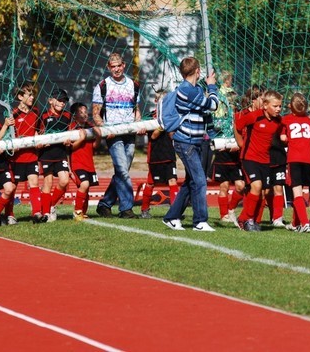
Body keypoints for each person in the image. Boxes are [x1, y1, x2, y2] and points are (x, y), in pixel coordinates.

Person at [162, 57, 219, 232]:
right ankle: (200, 221)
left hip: (195, 141)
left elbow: (203, 112)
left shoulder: (196, 89)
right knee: (200, 180)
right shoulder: (188, 91)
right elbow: (213, 105)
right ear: (197, 71)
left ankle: (171, 217)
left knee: (191, 182)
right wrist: (212, 86)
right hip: (185, 142)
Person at [92, 53, 143, 219]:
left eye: (119, 66)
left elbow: (136, 109)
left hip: (130, 134)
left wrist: (139, 124)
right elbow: (96, 114)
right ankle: (126, 208)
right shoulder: (102, 86)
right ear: (109, 67)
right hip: (113, 135)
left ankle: (105, 204)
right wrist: (106, 128)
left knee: (122, 172)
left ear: (124, 65)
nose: (116, 69)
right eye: (113, 66)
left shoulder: (134, 85)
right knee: (122, 171)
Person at [234, 90, 283, 232]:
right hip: (249, 158)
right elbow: (238, 125)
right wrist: (240, 143)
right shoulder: (254, 116)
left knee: (264, 191)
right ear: (265, 105)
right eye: (275, 106)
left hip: (265, 160)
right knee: (256, 186)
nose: (278, 109)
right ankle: (247, 220)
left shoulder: (279, 121)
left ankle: (248, 219)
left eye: (280, 106)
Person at [139, 90, 179, 219]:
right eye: (162, 100)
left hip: (169, 154)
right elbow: (154, 136)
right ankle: (144, 209)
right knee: (150, 182)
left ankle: (175, 212)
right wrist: (162, 126)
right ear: (156, 101)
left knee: (172, 181)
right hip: (155, 156)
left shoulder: (172, 115)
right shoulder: (150, 117)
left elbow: (173, 135)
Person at [280, 92, 310, 233]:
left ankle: (305, 222)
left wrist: (290, 140)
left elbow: (283, 137)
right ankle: (295, 223)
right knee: (303, 191)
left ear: (290, 106)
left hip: (294, 158)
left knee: (297, 192)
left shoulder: (286, 120)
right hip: (308, 159)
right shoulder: (309, 120)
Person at [10, 83, 44, 223]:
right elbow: (9, 134)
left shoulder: (36, 112)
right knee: (12, 186)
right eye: (29, 94)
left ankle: (37, 213)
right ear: (20, 97)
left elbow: (38, 130)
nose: (32, 97)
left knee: (34, 182)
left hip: (31, 156)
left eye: (32, 94)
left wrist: (39, 140)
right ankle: (9, 214)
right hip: (16, 158)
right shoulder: (13, 114)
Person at [39, 89, 73, 222]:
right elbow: (38, 134)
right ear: (50, 100)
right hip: (46, 155)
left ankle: (50, 205)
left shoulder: (67, 116)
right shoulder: (43, 116)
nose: (62, 103)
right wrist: (42, 142)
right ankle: (46, 213)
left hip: (61, 154)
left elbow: (71, 132)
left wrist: (69, 140)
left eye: (64, 101)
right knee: (47, 182)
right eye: (59, 100)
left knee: (64, 181)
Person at [69, 102, 101, 221]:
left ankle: (83, 212)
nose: (84, 115)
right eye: (80, 112)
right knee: (84, 184)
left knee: (87, 188)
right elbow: (70, 148)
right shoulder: (71, 127)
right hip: (77, 163)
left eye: (85, 112)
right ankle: (77, 211)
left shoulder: (90, 126)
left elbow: (94, 146)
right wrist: (81, 139)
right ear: (74, 115)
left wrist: (98, 137)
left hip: (89, 164)